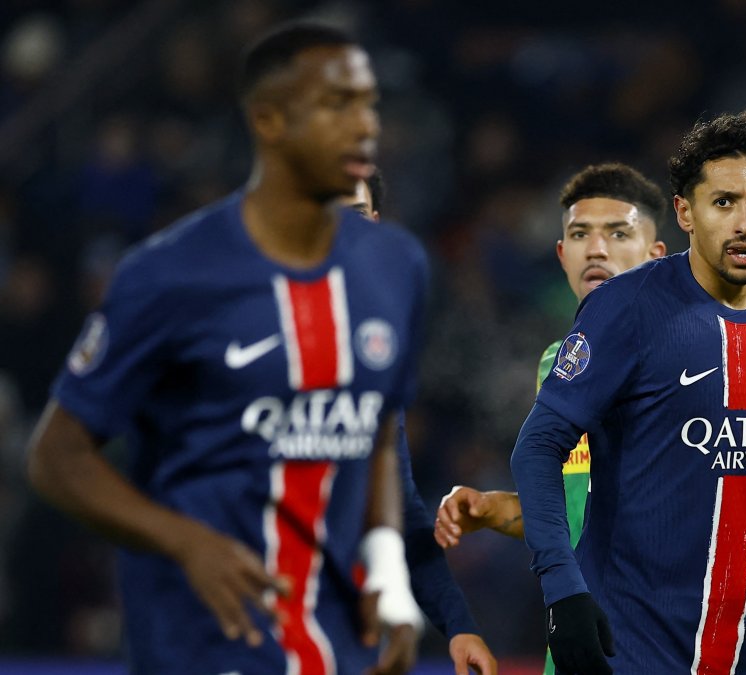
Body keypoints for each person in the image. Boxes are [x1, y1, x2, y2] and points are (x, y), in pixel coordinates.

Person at [26, 22, 494, 675]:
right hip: (205, 636)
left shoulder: (396, 276)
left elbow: (382, 455)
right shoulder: (172, 274)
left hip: (338, 646)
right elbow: (55, 456)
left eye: (366, 104)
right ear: (269, 122)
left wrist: (391, 580)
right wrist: (185, 541)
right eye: (336, 104)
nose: (361, 124)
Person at [509, 110, 746, 675]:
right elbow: (538, 446)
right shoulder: (625, 308)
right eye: (723, 202)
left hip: (743, 651)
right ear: (685, 212)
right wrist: (563, 592)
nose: (745, 223)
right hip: (630, 649)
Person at [431, 162, 668, 673]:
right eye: (579, 234)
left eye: (618, 233)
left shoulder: (695, 359)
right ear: (562, 255)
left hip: (666, 647)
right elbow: (578, 513)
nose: (596, 248)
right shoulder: (560, 364)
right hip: (579, 646)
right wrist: (495, 511)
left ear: (656, 256)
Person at [337, 175, 498, 675]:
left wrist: (458, 623)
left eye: (357, 215)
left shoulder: (377, 344)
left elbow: (399, 508)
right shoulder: (245, 330)